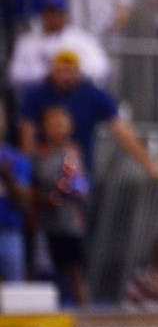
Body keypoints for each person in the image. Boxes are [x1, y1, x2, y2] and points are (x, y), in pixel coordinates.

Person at [18, 50, 158, 178]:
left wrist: (149, 164)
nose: (66, 76)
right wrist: (25, 173)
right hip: (44, 169)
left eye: (70, 70)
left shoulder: (91, 94)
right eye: (61, 70)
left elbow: (122, 131)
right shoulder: (37, 95)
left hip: (79, 172)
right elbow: (27, 134)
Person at [31, 105, 89, 305]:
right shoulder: (38, 155)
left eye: (60, 124)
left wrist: (55, 196)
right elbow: (34, 185)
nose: (56, 129)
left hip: (67, 224)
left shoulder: (71, 154)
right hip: (43, 224)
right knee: (41, 271)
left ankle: (84, 316)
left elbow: (78, 188)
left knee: (73, 271)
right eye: (51, 124)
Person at [6, 0, 111, 95]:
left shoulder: (82, 39)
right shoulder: (27, 42)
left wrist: (71, 73)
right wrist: (47, 75)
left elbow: (102, 68)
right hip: (39, 98)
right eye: (49, 12)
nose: (53, 17)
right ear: (42, 14)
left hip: (75, 95)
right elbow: (14, 75)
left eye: (57, 12)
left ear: (64, 14)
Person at [0, 102, 31, 281]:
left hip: (9, 234)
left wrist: (7, 177)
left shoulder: (15, 158)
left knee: (14, 295)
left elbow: (24, 201)